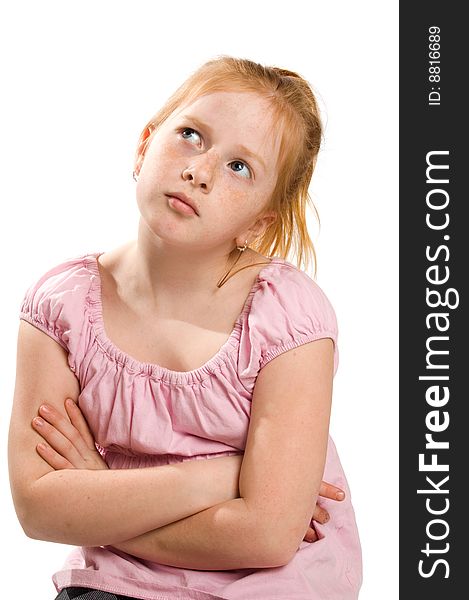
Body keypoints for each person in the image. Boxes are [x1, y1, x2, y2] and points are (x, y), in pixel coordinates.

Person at [8, 55, 362, 599]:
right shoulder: (62, 308)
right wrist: (220, 478)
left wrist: (101, 500)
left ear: (259, 222)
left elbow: (268, 536)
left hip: (267, 586)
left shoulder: (286, 316)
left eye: (239, 167)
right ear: (144, 144)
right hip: (114, 584)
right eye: (191, 135)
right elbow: (39, 508)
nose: (199, 171)